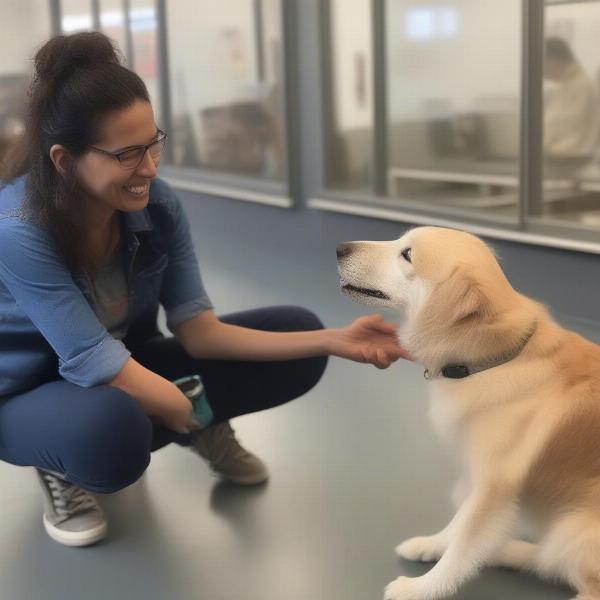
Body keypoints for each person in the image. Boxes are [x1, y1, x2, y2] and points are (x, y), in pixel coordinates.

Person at [0, 32, 407, 548]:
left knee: (297, 331)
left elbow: (201, 333)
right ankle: (57, 459)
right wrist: (185, 407)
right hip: (26, 395)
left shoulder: (158, 207)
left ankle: (193, 420)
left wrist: (333, 339)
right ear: (64, 160)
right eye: (127, 153)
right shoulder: (18, 229)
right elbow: (90, 361)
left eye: (153, 143)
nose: (148, 168)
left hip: (124, 367)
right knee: (112, 432)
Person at [543, 36, 600, 161]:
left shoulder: (581, 87)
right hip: (558, 159)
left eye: (542, 63)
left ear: (554, 61)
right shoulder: (562, 87)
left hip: (568, 161)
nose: (542, 71)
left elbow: (571, 137)